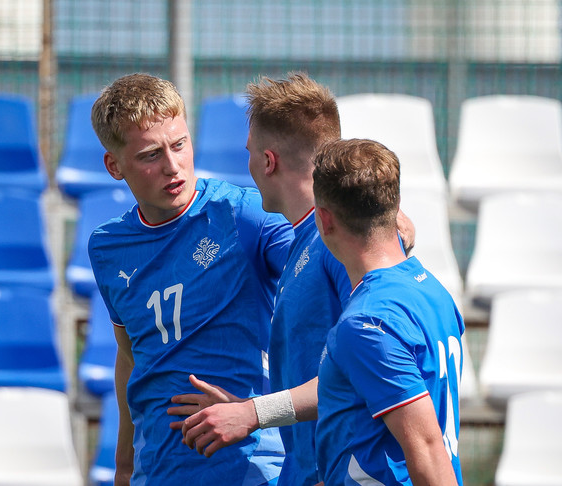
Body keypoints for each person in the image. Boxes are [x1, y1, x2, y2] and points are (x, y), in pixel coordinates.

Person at [168, 73, 415, 485]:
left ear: (268, 162)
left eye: (249, 153)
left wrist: (253, 413)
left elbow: (367, 369)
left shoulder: (336, 247)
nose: (247, 165)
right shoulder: (306, 240)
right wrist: (246, 408)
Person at [88, 72, 292, 485]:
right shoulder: (107, 248)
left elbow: (331, 264)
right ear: (114, 165)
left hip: (254, 469)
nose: (173, 166)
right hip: (159, 472)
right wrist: (124, 463)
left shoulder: (246, 216)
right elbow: (130, 356)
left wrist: (380, 223)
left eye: (179, 145)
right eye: (150, 155)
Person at [313, 138, 464, 485]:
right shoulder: (432, 290)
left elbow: (428, 454)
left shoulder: (367, 324)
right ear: (395, 209)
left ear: (324, 219)